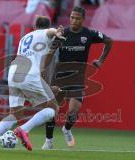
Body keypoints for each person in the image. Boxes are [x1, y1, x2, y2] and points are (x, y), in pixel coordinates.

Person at [0, 16, 65, 151]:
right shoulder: (44, 33)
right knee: (53, 108)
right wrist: (56, 32)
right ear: (46, 26)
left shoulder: (25, 38)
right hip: (29, 73)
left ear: (34, 26)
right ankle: (24, 130)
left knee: (15, 113)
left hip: (14, 73)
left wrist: (47, 87)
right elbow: (49, 32)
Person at [42, 6, 113, 149]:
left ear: (83, 20)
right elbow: (50, 52)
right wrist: (43, 69)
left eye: (77, 18)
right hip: (60, 75)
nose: (74, 20)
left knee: (73, 111)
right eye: (72, 17)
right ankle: (49, 141)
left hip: (77, 78)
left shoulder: (89, 34)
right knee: (51, 110)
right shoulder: (62, 34)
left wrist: (100, 60)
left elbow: (109, 41)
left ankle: (67, 129)